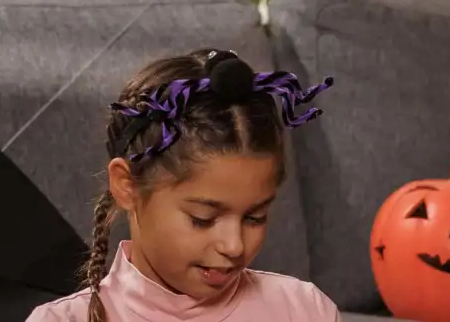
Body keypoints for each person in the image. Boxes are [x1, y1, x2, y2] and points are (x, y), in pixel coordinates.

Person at [28, 49, 342, 322]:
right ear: (127, 186)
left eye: (254, 217)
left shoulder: (305, 310)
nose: (234, 246)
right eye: (202, 219)